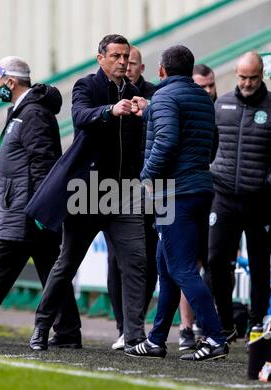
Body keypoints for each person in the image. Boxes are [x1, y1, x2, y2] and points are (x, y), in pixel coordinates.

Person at [27, 34, 147, 351]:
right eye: (116, 56)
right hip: (88, 190)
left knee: (135, 263)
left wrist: (146, 112)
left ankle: (134, 335)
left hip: (124, 192)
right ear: (100, 58)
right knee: (67, 262)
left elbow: (146, 140)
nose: (123, 62)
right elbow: (80, 117)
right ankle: (41, 327)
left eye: (126, 56)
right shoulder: (86, 86)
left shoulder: (135, 93)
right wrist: (110, 110)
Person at [126, 45, 228, 361]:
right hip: (200, 188)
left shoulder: (166, 99)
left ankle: (215, 338)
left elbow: (167, 141)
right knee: (166, 266)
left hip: (175, 194)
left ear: (161, 70)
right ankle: (156, 339)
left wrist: (145, 178)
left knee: (182, 270)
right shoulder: (201, 97)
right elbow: (212, 144)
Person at [0, 56, 81, 347]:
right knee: (51, 272)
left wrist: (38, 209)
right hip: (24, 209)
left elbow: (43, 162)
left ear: (11, 81)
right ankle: (68, 332)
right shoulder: (23, 111)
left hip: (25, 213)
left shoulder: (32, 113)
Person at [209, 51, 271, 339]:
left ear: (262, 75)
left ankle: (256, 322)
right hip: (223, 197)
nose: (247, 83)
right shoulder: (221, 105)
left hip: (261, 200)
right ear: (236, 74)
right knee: (216, 261)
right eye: (243, 77)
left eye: (253, 77)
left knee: (261, 265)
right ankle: (226, 322)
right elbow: (211, 146)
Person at [106, 45, 157, 351]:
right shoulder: (111, 94)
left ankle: (135, 323)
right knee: (116, 260)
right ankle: (123, 326)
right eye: (123, 61)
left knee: (146, 258)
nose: (127, 66)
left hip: (151, 188)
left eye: (132, 62)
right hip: (116, 191)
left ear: (142, 67)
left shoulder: (154, 96)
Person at [178, 63, 218, 352]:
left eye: (210, 85)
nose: (207, 91)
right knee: (187, 265)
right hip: (185, 193)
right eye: (201, 86)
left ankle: (213, 329)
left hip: (210, 195)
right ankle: (185, 327)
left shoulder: (218, 109)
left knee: (202, 264)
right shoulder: (185, 108)